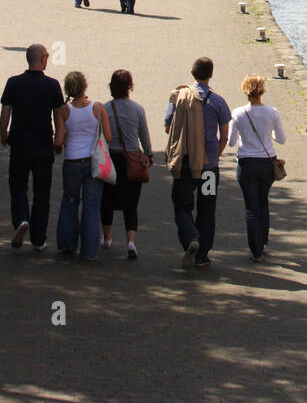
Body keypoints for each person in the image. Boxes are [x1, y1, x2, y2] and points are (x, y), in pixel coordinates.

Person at [164, 59, 230, 270]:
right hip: (208, 168)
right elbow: (224, 136)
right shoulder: (218, 101)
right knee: (207, 208)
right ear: (211, 75)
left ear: (191, 72)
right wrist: (214, 156)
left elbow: (168, 127)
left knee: (182, 206)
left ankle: (191, 238)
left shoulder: (178, 97)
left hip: (185, 164)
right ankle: (202, 255)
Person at [0, 44, 65, 253]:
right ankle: (38, 240)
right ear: (43, 59)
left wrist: (4, 134)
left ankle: (20, 219)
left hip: (20, 144)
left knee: (18, 185)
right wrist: (58, 141)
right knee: (42, 193)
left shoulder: (13, 83)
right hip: (44, 144)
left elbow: (5, 113)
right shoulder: (52, 85)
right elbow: (59, 116)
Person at [54, 71, 111, 261]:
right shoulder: (97, 107)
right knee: (92, 206)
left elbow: (59, 140)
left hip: (72, 161)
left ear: (68, 89)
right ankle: (89, 251)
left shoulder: (63, 111)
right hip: (93, 161)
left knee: (70, 201)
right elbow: (108, 137)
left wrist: (63, 143)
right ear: (85, 86)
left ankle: (68, 244)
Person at [229, 75, 286, 263]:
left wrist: (243, 139)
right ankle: (263, 241)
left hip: (247, 162)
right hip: (267, 162)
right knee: (263, 202)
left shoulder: (238, 113)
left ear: (245, 91)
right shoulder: (273, 112)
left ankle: (255, 250)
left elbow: (231, 142)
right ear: (262, 91)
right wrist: (268, 134)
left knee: (251, 207)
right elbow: (282, 139)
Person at [101, 69, 153, 260]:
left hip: (110, 159)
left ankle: (107, 238)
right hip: (132, 160)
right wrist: (148, 154)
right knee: (131, 204)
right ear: (130, 87)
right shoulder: (138, 109)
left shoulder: (104, 109)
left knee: (106, 200)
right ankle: (131, 241)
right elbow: (144, 136)